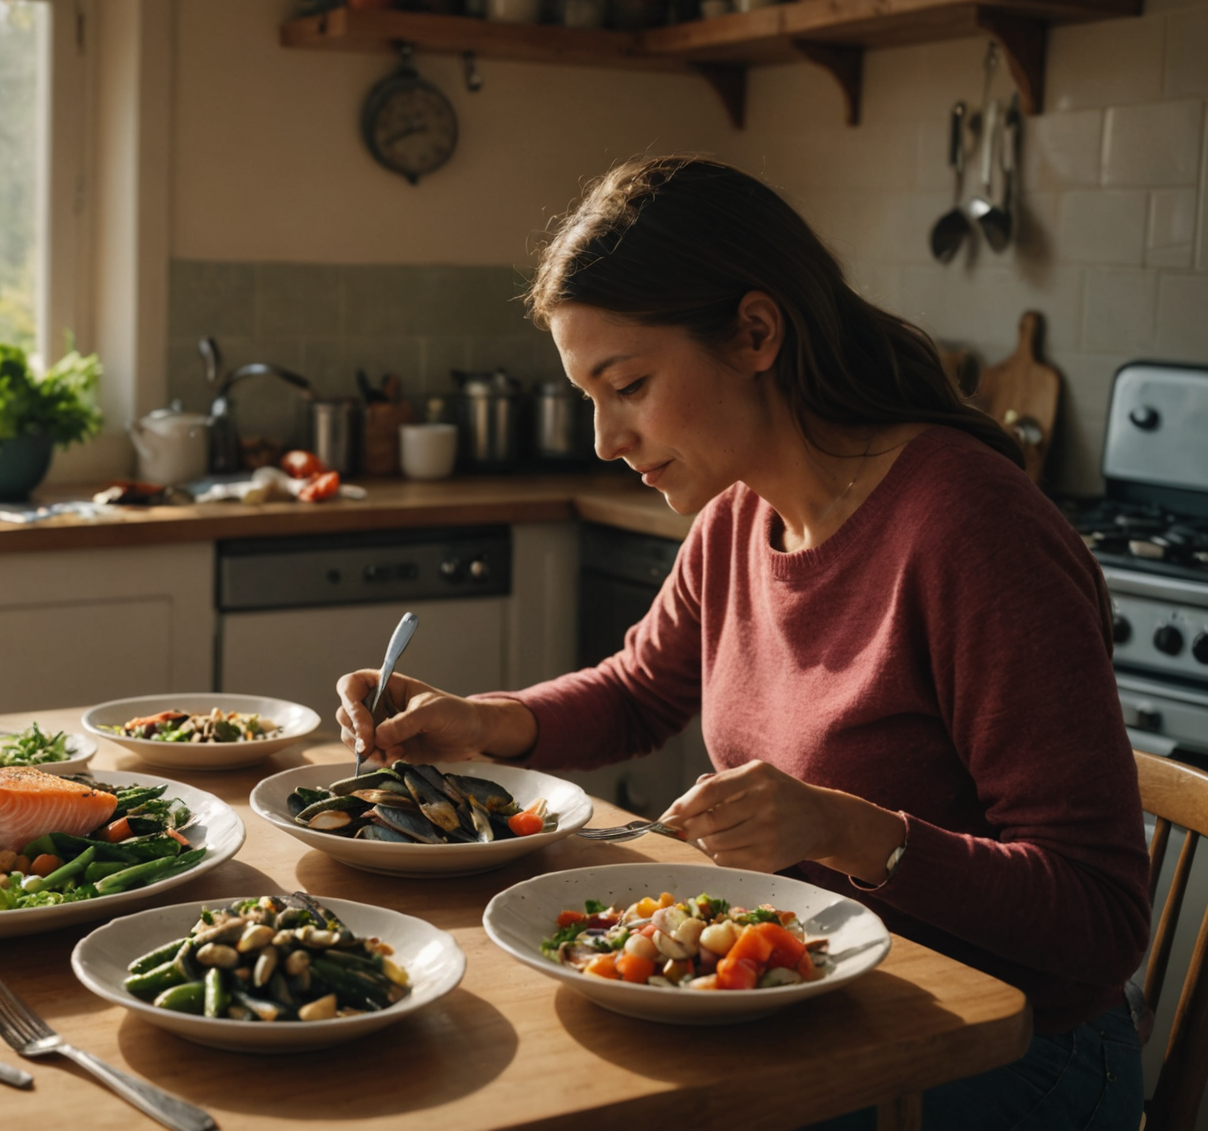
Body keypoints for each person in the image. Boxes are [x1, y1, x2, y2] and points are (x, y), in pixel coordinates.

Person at [335, 155, 1149, 1130]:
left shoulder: (973, 533)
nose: (604, 439)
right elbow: (640, 693)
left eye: (627, 384)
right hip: (820, 1008)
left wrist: (847, 829)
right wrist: (480, 723)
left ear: (756, 333)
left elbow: (1102, 919)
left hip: (1006, 1056)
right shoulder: (738, 516)